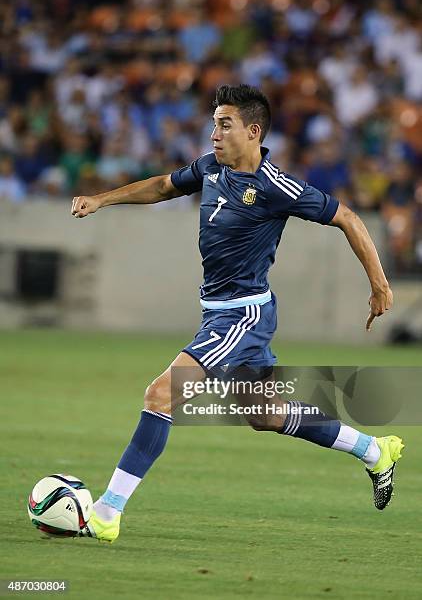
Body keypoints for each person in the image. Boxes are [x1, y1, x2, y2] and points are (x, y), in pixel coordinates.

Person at [71, 84, 403, 543]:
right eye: (213, 123)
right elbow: (164, 185)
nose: (214, 134)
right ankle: (373, 449)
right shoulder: (211, 168)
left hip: (241, 317)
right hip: (220, 313)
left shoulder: (275, 185)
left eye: (224, 124)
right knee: (264, 414)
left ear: (253, 131)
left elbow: (348, 217)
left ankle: (107, 513)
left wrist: (379, 284)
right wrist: (103, 199)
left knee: (161, 394)